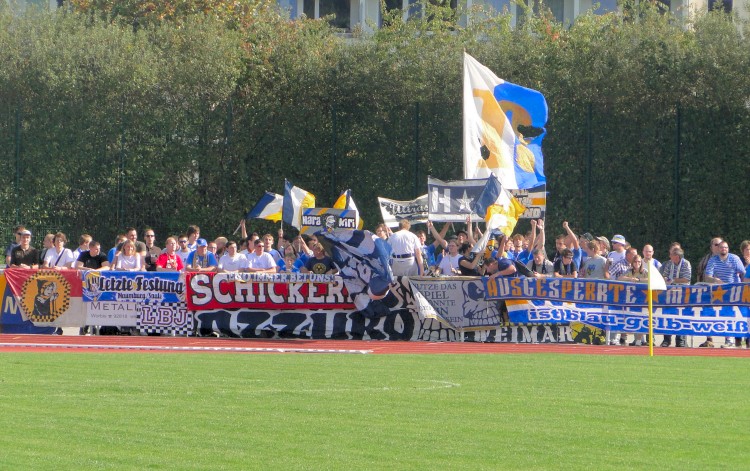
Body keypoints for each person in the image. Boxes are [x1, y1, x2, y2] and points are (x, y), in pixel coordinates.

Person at [704, 240, 746, 348]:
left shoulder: (734, 259)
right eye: (722, 247)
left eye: (726, 247)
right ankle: (717, 339)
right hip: (719, 292)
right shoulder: (713, 260)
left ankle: (732, 339)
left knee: (732, 314)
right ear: (718, 249)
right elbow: (707, 276)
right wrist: (714, 279)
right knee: (719, 314)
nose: (724, 249)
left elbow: (743, 273)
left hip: (734, 291)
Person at [659, 246, 692, 348]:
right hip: (670, 293)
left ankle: (681, 340)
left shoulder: (686, 264)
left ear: (676, 256)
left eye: (671, 254)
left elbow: (686, 279)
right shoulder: (669, 264)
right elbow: (664, 276)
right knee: (667, 315)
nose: (669, 256)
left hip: (682, 294)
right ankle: (666, 339)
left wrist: (672, 280)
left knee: (681, 316)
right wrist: (667, 279)